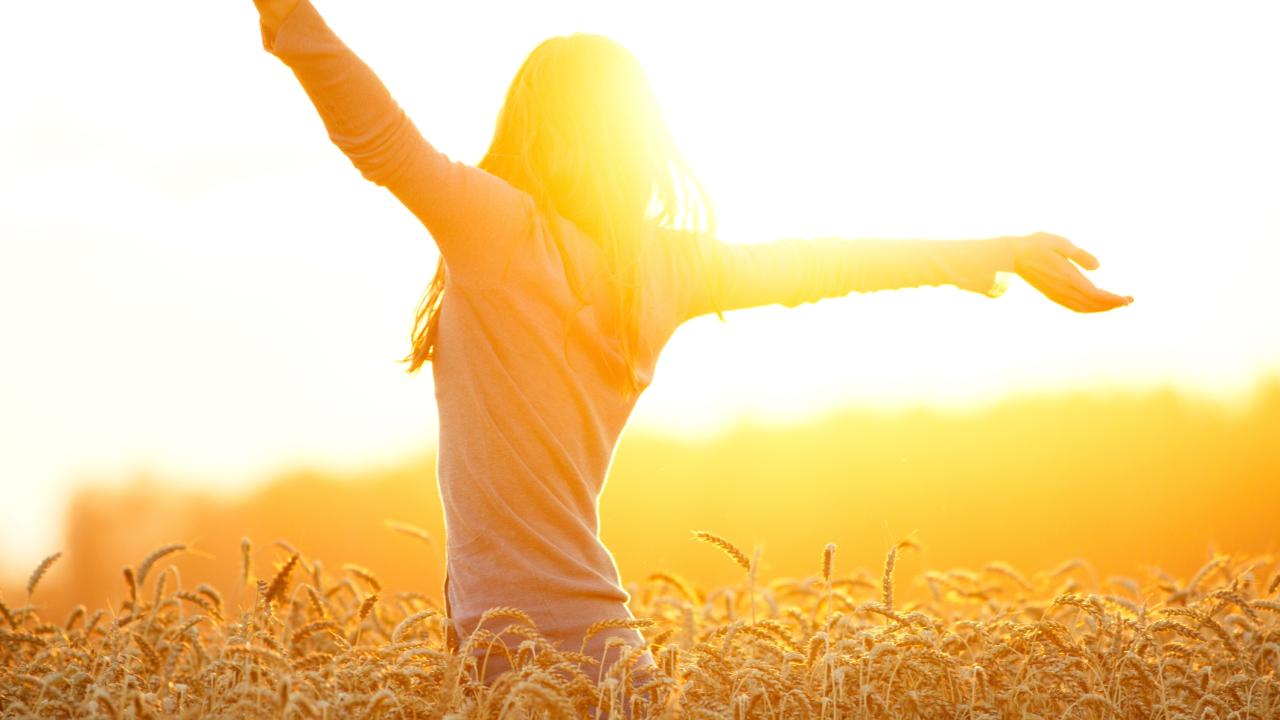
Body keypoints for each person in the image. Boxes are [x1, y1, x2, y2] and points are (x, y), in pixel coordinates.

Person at [249, 0, 1132, 684]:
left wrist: (287, 16)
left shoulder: (497, 231)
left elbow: (379, 135)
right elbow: (830, 263)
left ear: (530, 125)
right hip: (610, 655)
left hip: (520, 661)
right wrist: (1001, 252)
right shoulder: (662, 271)